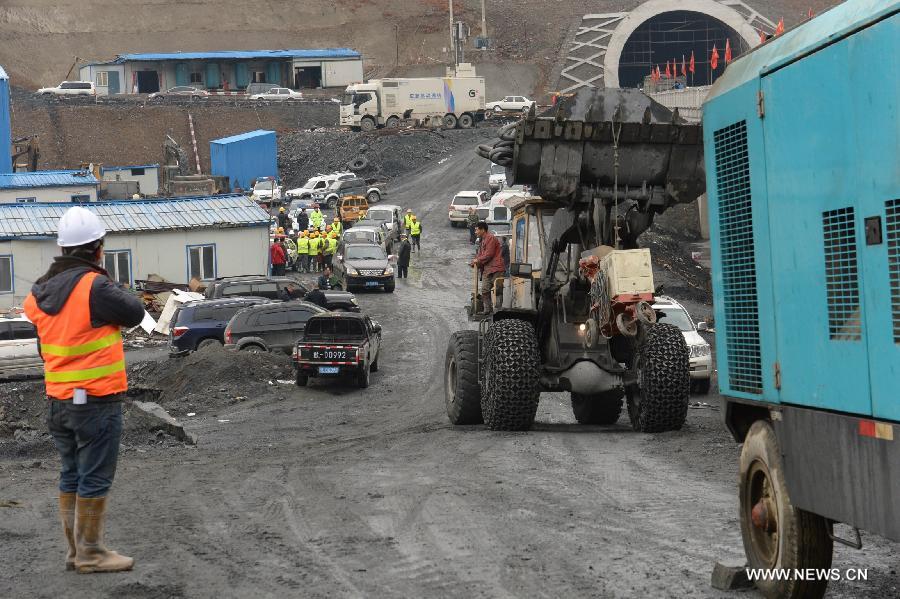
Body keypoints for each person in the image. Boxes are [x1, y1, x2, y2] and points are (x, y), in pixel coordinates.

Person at [23, 206, 143, 574]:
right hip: (95, 400)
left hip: (59, 402)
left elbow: (45, 348)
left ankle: (75, 552)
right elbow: (135, 312)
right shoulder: (94, 286)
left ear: (62, 248)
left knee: (71, 473)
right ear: (98, 249)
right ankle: (91, 553)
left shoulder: (39, 293)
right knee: (94, 475)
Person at [470, 221, 505, 315]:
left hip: (496, 268)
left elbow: (489, 254)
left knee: (498, 290)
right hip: (487, 269)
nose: (475, 232)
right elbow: (481, 255)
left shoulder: (491, 238)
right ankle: (487, 310)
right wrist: (474, 262)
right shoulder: (482, 241)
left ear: (482, 230)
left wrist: (477, 260)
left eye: (476, 230)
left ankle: (498, 311)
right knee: (485, 290)